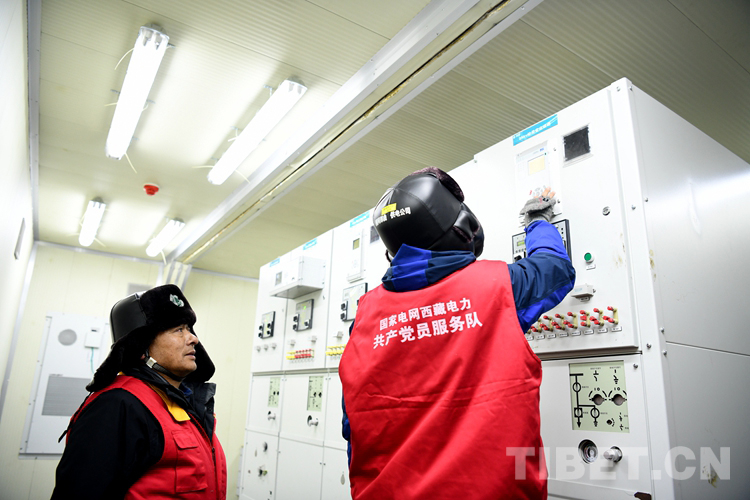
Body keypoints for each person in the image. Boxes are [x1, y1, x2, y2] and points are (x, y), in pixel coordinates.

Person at [339, 167, 575, 499]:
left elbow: (352, 425)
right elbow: (554, 268)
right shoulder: (497, 286)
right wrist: (537, 223)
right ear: (465, 227)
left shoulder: (364, 315)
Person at [52, 284, 227, 499]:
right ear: (141, 347)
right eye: (178, 330)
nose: (193, 339)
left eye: (189, 329)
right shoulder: (117, 405)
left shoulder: (186, 404)